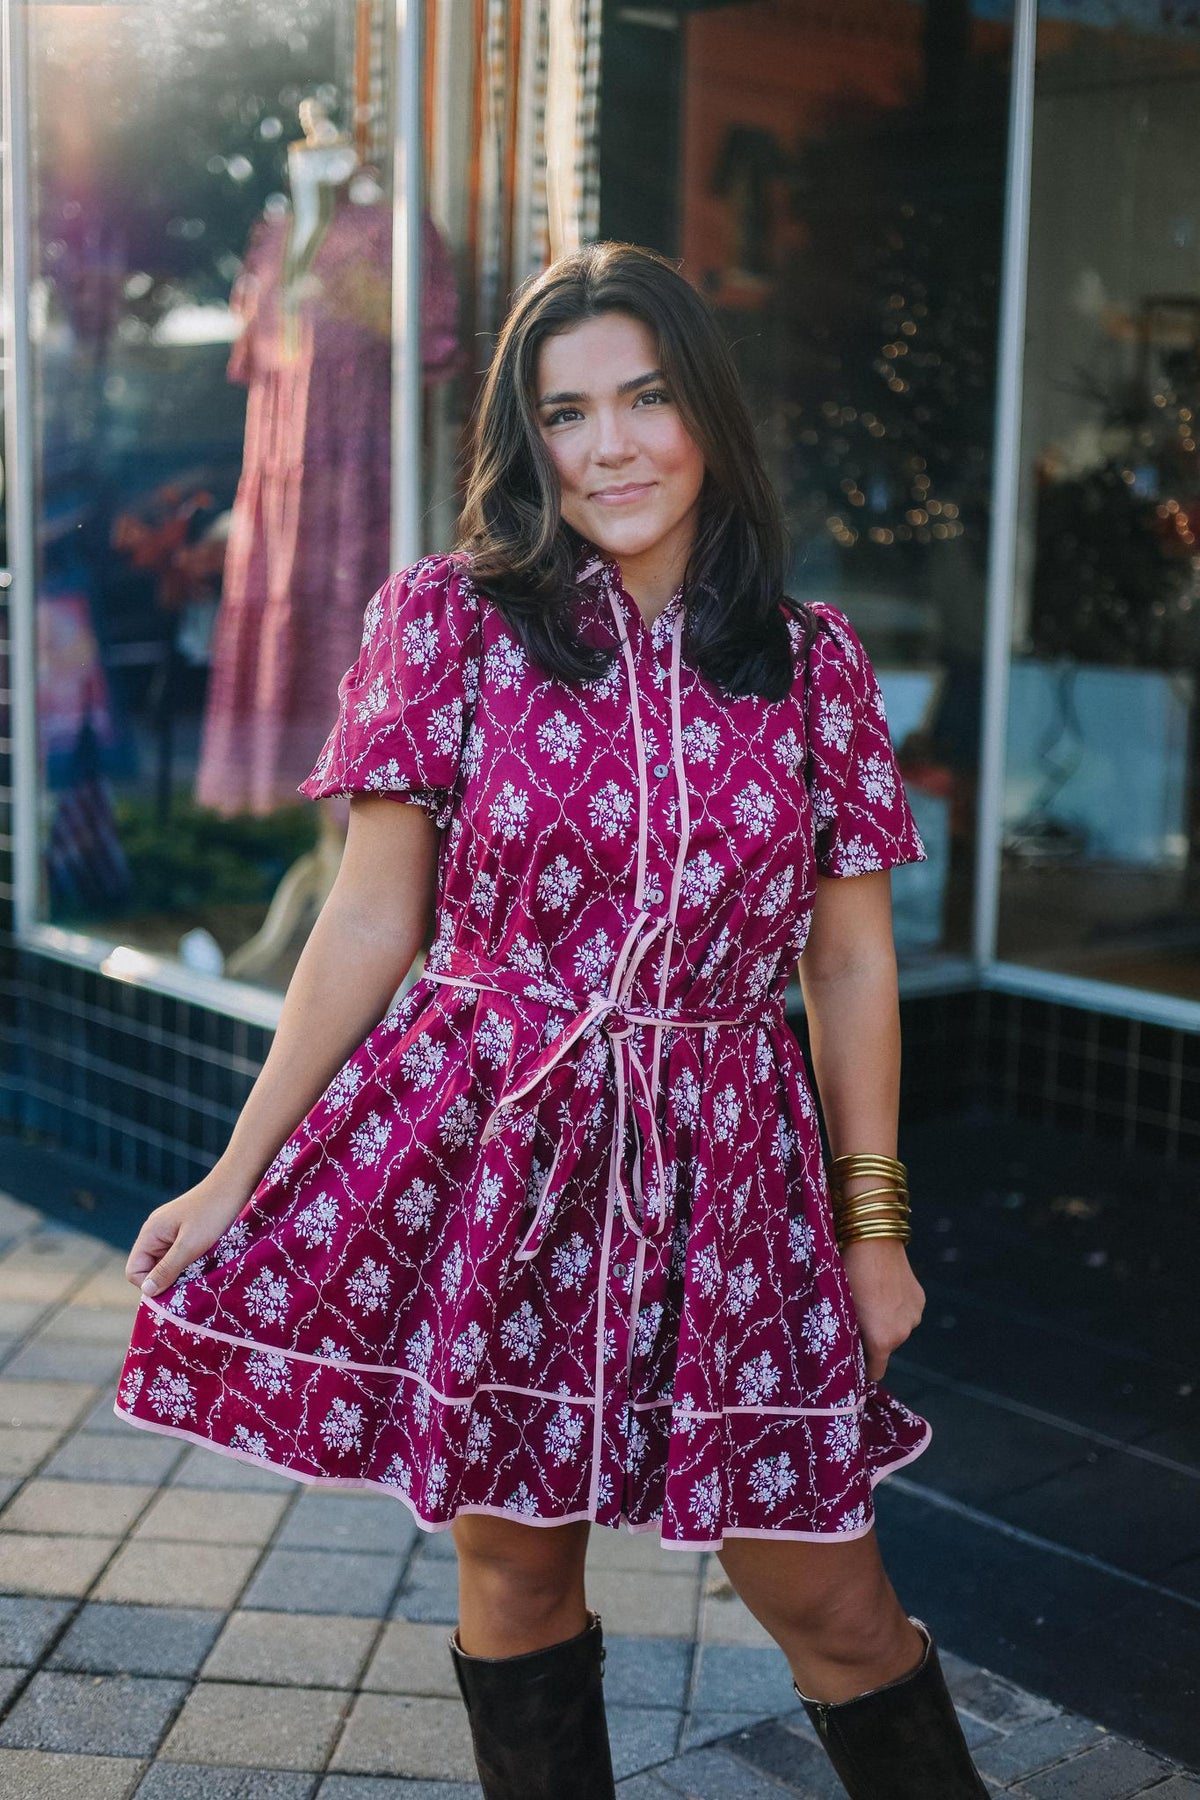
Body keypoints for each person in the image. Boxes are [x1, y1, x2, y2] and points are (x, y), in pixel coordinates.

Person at [116, 242, 988, 1799]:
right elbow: (373, 916)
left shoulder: (811, 663)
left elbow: (847, 966)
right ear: (529, 441)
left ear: (706, 415)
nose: (611, 447)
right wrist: (236, 1172)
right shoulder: (447, 625)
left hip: (733, 1175)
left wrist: (875, 1223)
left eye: (646, 399)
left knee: (833, 1596)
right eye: (567, 413)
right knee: (517, 1580)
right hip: (501, 1157)